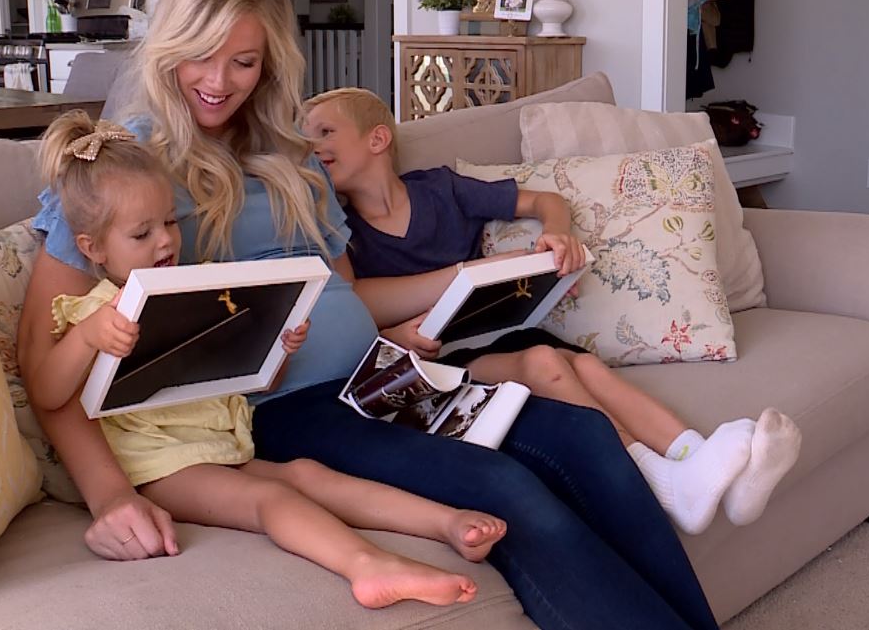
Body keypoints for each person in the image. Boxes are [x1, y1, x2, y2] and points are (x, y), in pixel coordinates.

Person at [17, 0, 719, 630]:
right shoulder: (124, 168)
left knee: (584, 434)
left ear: (269, 65)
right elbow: (45, 350)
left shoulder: (294, 156)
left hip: (379, 374)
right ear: (169, 46)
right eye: (200, 53)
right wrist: (110, 495)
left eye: (243, 60)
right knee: (502, 486)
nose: (218, 80)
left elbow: (347, 296)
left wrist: (459, 290)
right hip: (282, 408)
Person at [26, 110, 506, 609]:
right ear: (92, 247)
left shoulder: (184, 291)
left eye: (170, 221)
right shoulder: (91, 311)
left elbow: (235, 381)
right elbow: (47, 391)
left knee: (305, 475)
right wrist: (86, 338)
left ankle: (444, 522)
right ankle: (368, 567)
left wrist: (276, 351)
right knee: (273, 499)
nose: (166, 240)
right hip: (159, 466)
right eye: (141, 234)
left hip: (219, 439)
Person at [301, 87, 803, 534]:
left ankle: (698, 457)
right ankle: (664, 479)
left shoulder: (439, 188)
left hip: (492, 334)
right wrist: (395, 331)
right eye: (306, 139)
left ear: (377, 139)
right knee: (545, 362)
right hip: (436, 366)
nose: (314, 147)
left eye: (326, 131)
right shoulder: (340, 227)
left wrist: (558, 231)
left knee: (585, 365)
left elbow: (544, 201)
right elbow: (351, 304)